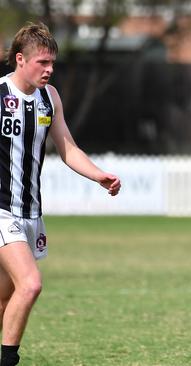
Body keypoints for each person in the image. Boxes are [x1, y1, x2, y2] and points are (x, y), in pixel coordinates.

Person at [0, 23, 121, 365]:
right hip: (1, 212)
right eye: (42, 62)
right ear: (20, 60)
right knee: (30, 284)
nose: (49, 69)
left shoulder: (49, 98)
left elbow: (67, 148)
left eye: (52, 62)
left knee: (6, 301)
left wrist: (99, 176)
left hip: (31, 213)